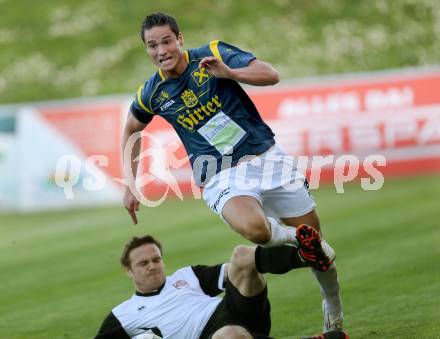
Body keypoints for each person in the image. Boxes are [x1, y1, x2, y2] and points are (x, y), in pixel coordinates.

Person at [121, 12, 346, 338]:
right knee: (258, 231)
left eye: (166, 41)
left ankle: (334, 316)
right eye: (152, 45)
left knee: (320, 258)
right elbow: (131, 129)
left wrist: (228, 72)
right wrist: (131, 183)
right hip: (219, 175)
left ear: (180, 39)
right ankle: (299, 240)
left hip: (268, 160)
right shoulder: (151, 93)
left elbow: (270, 74)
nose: (161, 50)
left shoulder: (212, 53)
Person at [95, 235, 347, 339]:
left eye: (156, 259)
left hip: (234, 309)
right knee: (228, 336)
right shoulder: (123, 314)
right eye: (143, 263)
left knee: (241, 256)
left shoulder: (186, 276)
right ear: (128, 271)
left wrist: (248, 266)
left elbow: (235, 271)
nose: (152, 266)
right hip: (211, 335)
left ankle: (306, 256)